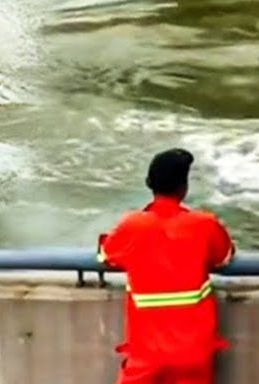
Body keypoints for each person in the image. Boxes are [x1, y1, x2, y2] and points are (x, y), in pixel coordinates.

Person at [97, 148, 235, 384]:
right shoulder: (204, 224)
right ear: (184, 187)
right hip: (193, 354)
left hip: (146, 355)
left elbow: (107, 254)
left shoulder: (132, 225)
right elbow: (224, 256)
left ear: (149, 183)